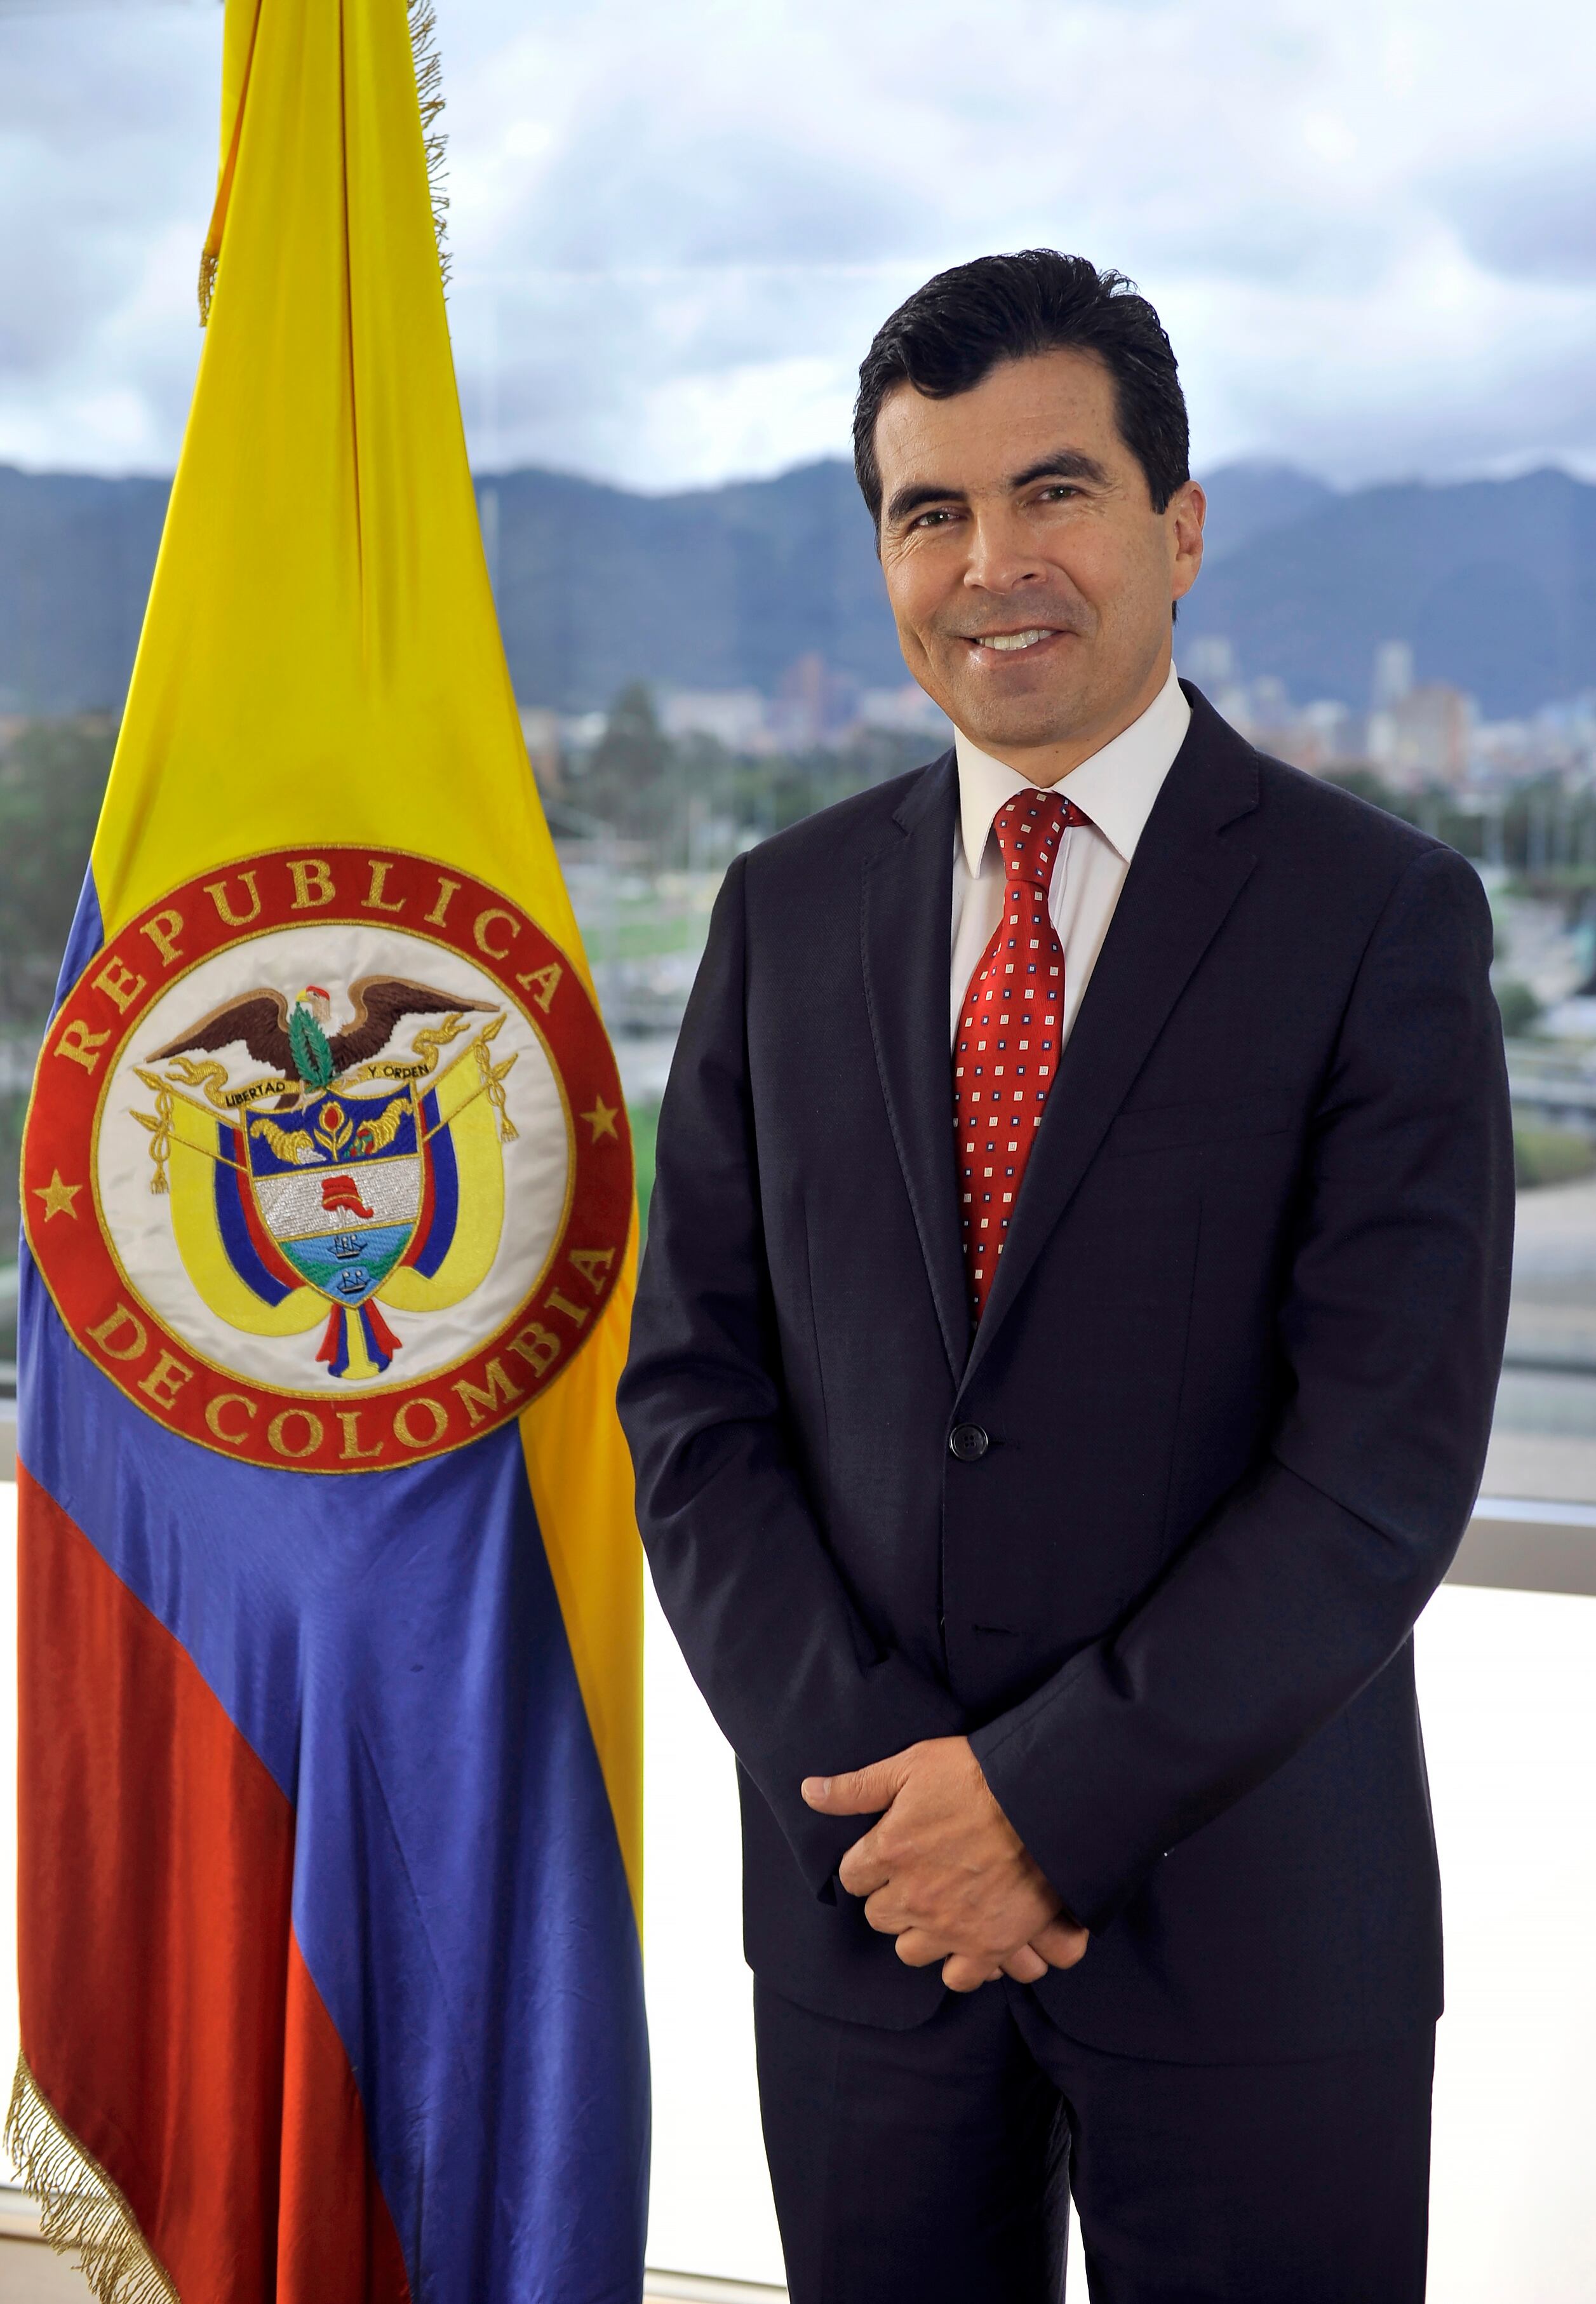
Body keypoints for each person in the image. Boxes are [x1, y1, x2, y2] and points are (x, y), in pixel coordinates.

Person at [618, 250, 1512, 2303]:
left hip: (1253, 1929)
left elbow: (1377, 1462)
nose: (990, 561)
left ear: (1176, 529)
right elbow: (696, 1398)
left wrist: (1038, 1802)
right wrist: (894, 1808)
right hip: (869, 1922)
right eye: (929, 510)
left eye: (1055, 491)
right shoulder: (784, 912)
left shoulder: (1376, 914)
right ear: (880, 557)